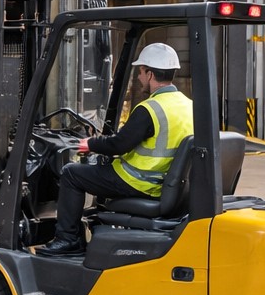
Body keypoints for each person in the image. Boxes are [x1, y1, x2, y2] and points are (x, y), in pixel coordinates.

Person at [35, 42, 195, 258]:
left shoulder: (150, 109)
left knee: (72, 174)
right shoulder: (188, 105)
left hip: (139, 182)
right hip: (165, 182)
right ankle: (98, 227)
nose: (138, 78)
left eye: (140, 72)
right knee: (100, 169)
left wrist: (90, 144)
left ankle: (68, 240)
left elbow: (119, 144)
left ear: (149, 74)